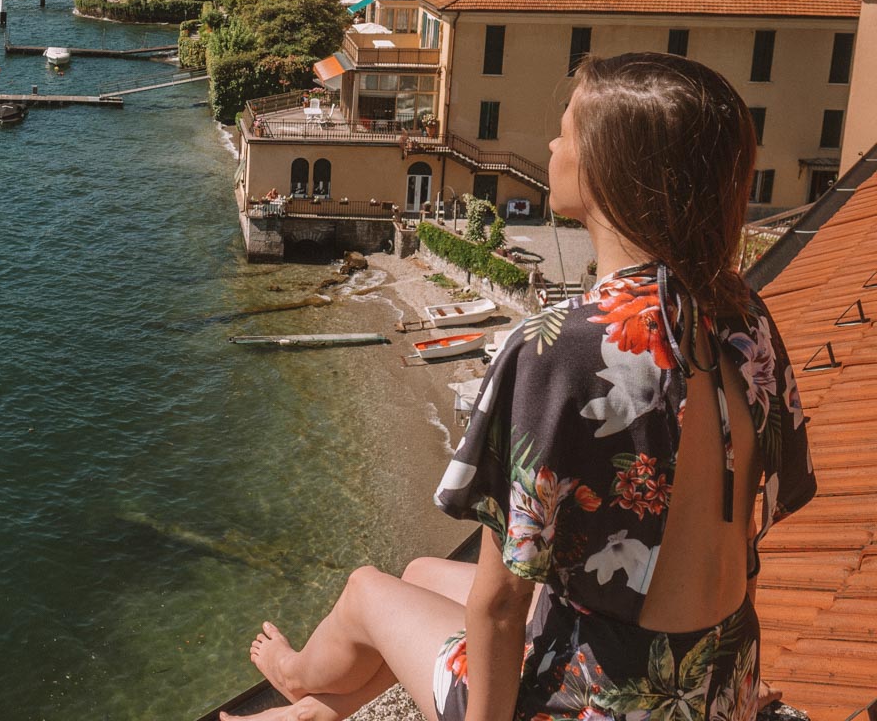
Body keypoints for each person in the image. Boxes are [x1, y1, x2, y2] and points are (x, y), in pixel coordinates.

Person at [223, 52, 815, 721]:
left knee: (366, 589)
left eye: (567, 131)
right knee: (417, 575)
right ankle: (313, 714)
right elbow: (747, 537)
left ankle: (297, 680)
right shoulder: (743, 319)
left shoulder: (564, 345)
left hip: (603, 701)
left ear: (606, 167)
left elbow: (502, 605)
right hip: (716, 683)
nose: (554, 146)